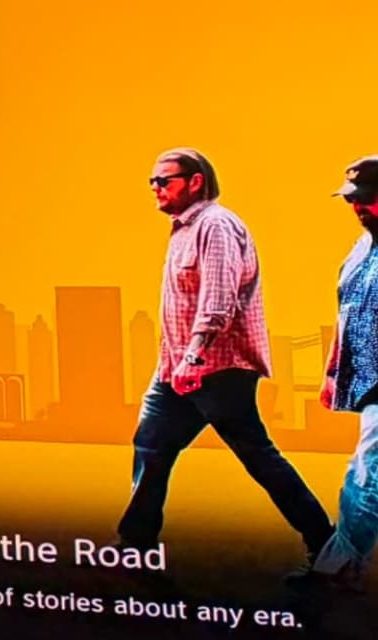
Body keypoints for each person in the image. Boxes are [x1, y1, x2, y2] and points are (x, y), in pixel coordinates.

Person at [117, 147, 334, 555]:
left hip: (216, 368)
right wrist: (176, 361)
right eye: (152, 182)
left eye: (164, 180)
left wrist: (194, 356)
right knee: (151, 446)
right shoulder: (183, 229)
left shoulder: (215, 225)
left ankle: (325, 544)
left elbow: (218, 300)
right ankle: (135, 545)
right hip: (176, 369)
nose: (156, 189)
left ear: (195, 181)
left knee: (257, 456)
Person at [311, 155, 378, 593]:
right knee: (364, 469)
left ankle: (334, 568)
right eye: (353, 200)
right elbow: (345, 312)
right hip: (370, 381)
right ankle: (342, 564)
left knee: (367, 473)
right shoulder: (358, 250)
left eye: (367, 199)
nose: (357, 208)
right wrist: (333, 370)